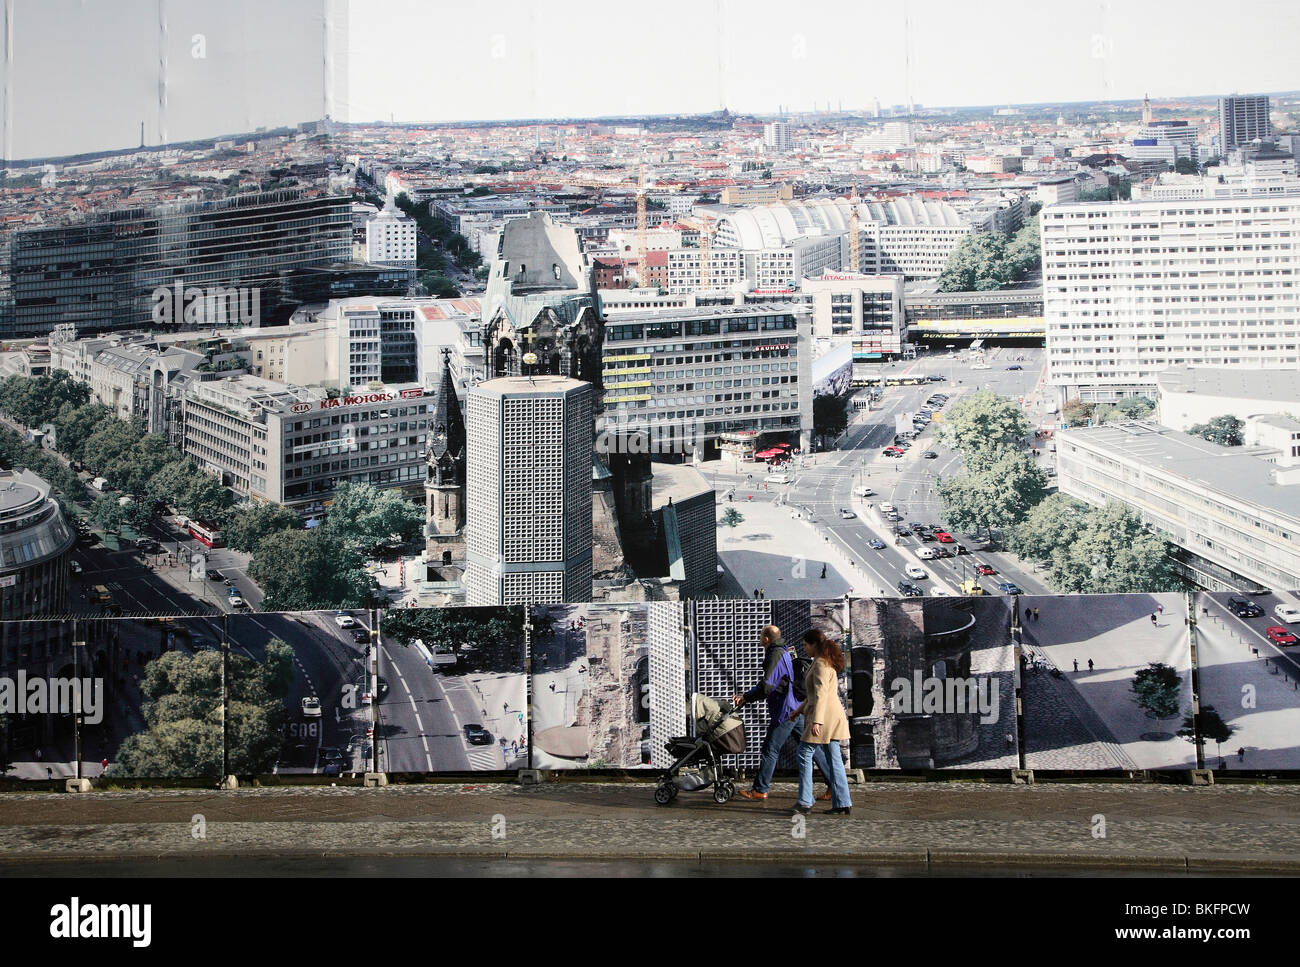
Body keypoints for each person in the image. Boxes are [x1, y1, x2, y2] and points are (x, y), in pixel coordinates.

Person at [732, 625, 831, 802]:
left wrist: (746, 697)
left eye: (761, 635)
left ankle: (760, 789)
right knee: (812, 747)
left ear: (767, 639)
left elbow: (767, 685)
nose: (759, 638)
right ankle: (834, 785)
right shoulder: (783, 651)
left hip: (785, 711)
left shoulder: (775, 654)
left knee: (770, 749)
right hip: (795, 707)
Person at [791, 629, 852, 816]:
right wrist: (798, 711)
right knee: (834, 760)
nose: (804, 648)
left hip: (824, 717)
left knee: (804, 752)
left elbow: (820, 695)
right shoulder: (823, 662)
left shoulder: (820, 664)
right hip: (830, 716)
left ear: (814, 645)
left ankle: (805, 801)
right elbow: (813, 696)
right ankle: (842, 802)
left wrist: (816, 721)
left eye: (805, 645)